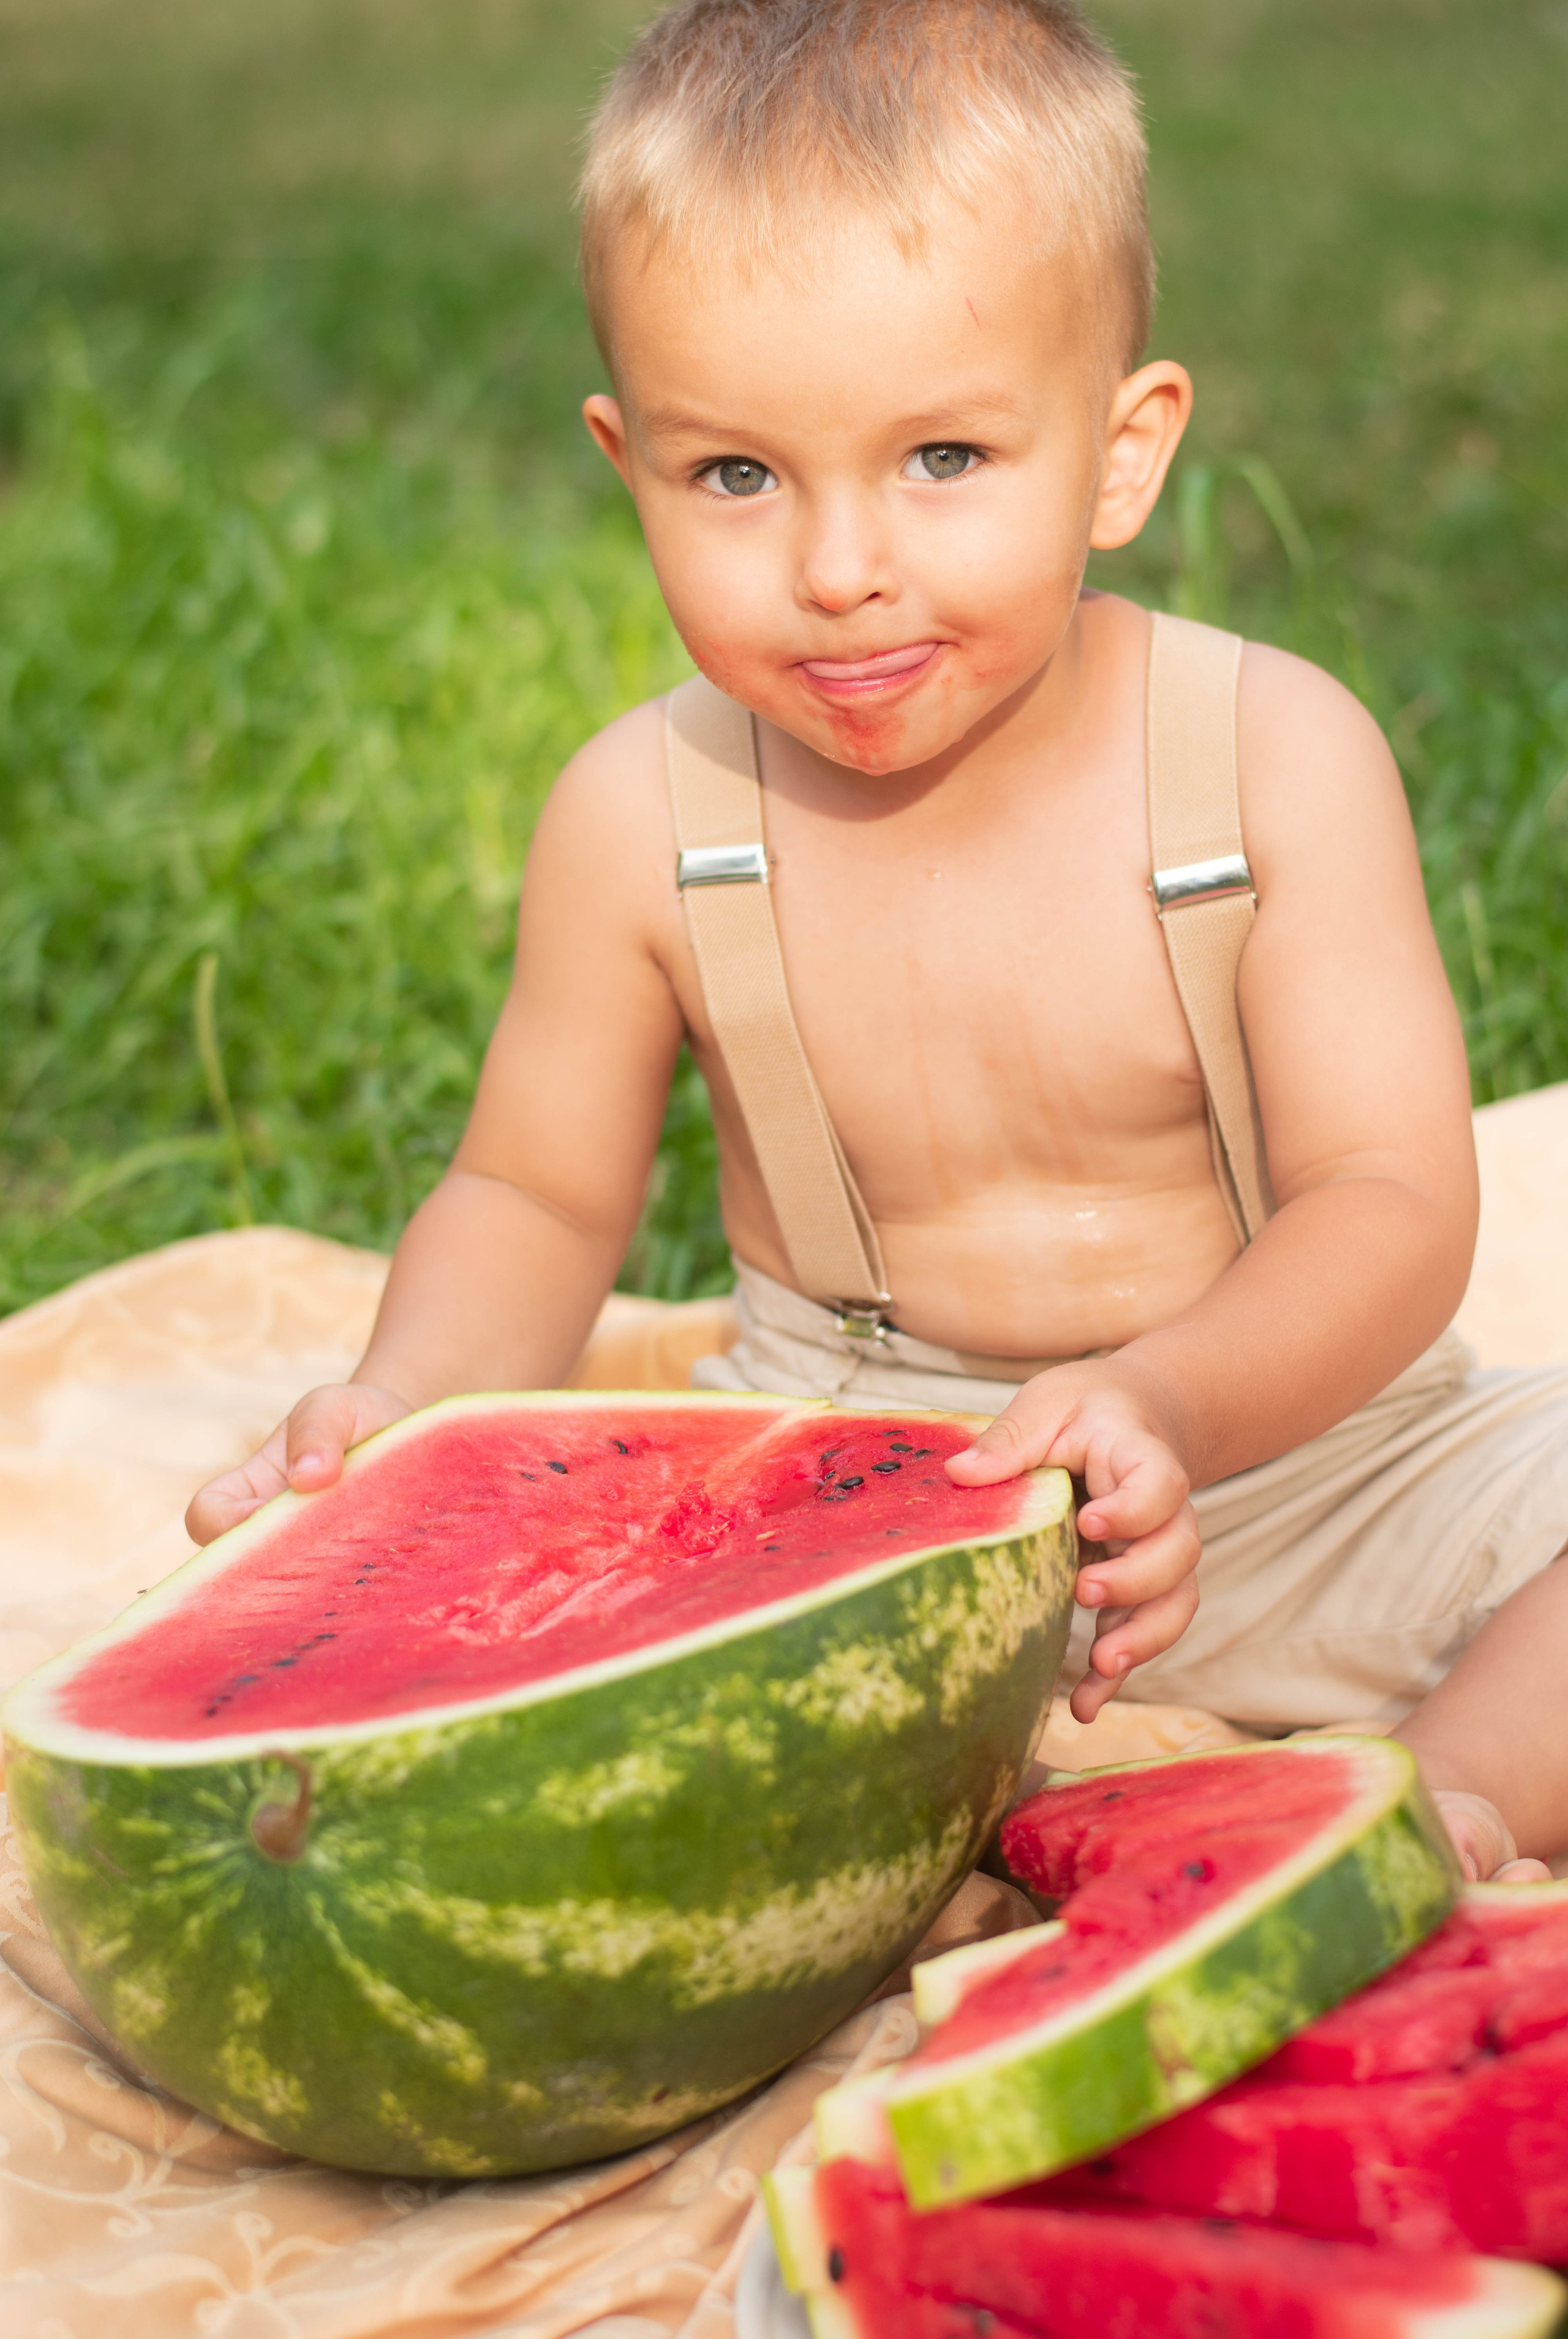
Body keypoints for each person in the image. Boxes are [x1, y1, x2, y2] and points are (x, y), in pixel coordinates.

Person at [188, 0, 1567, 1882]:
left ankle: (1425, 1815)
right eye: (736, 477)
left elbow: (1392, 1200)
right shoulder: (638, 820)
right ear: (629, 465)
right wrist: (402, 1403)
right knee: (522, 1745)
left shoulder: (1272, 757)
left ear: (1119, 451)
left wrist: (1173, 1401)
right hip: (846, 1490)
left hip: (1310, 1459)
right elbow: (529, 1194)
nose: (841, 568)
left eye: (941, 458)